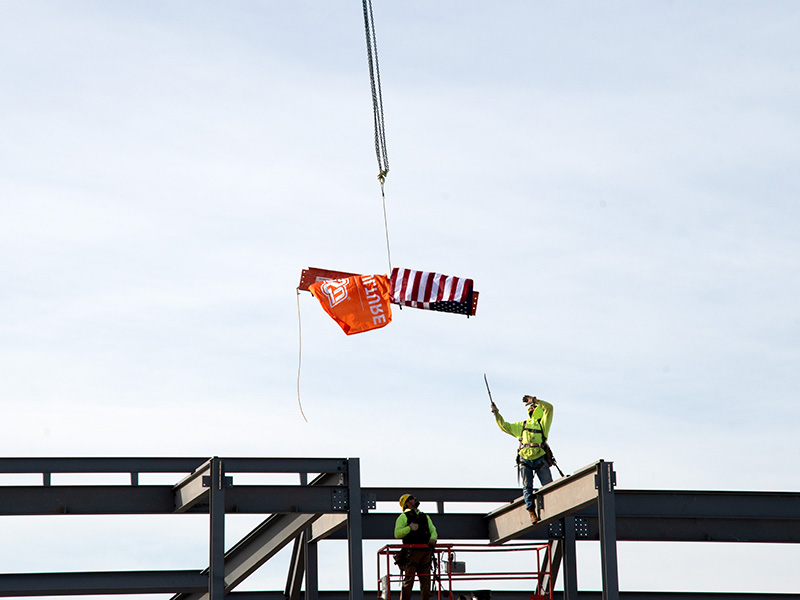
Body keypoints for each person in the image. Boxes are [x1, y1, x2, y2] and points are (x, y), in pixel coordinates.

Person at [491, 394, 554, 523]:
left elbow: (549, 408)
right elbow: (504, 426)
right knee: (527, 487)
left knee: (549, 485)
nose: (531, 408)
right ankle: (531, 511)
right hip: (525, 459)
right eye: (531, 407)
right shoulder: (522, 425)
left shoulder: (543, 424)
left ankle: (552, 507)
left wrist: (536, 401)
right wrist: (496, 414)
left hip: (539, 458)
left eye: (534, 407)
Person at [394, 493, 438, 600]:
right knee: (409, 581)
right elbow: (397, 533)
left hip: (425, 552)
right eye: (412, 499)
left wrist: (433, 539)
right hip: (411, 553)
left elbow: (433, 530)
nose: (415, 499)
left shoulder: (424, 516)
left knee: (426, 581)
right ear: (407, 503)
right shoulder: (403, 517)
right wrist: (409, 528)